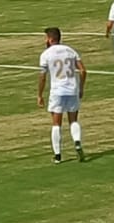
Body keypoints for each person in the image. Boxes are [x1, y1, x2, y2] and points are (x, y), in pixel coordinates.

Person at [37, 26, 87, 162]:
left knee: (56, 123)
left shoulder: (46, 54)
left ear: (51, 39)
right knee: (73, 120)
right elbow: (83, 71)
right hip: (72, 90)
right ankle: (77, 142)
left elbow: (42, 76)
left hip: (57, 91)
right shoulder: (70, 51)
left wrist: (40, 95)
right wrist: (81, 88)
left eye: (46, 38)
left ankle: (58, 155)